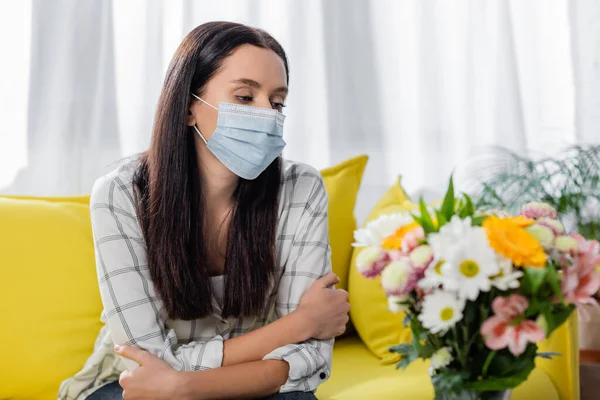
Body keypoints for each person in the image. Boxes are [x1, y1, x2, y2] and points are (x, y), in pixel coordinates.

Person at [58, 21, 350, 400]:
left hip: (251, 384)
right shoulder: (120, 193)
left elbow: (310, 357)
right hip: (132, 388)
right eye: (245, 97)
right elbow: (147, 363)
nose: (268, 114)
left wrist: (184, 386)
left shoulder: (302, 188)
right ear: (189, 108)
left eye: (277, 102)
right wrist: (301, 322)